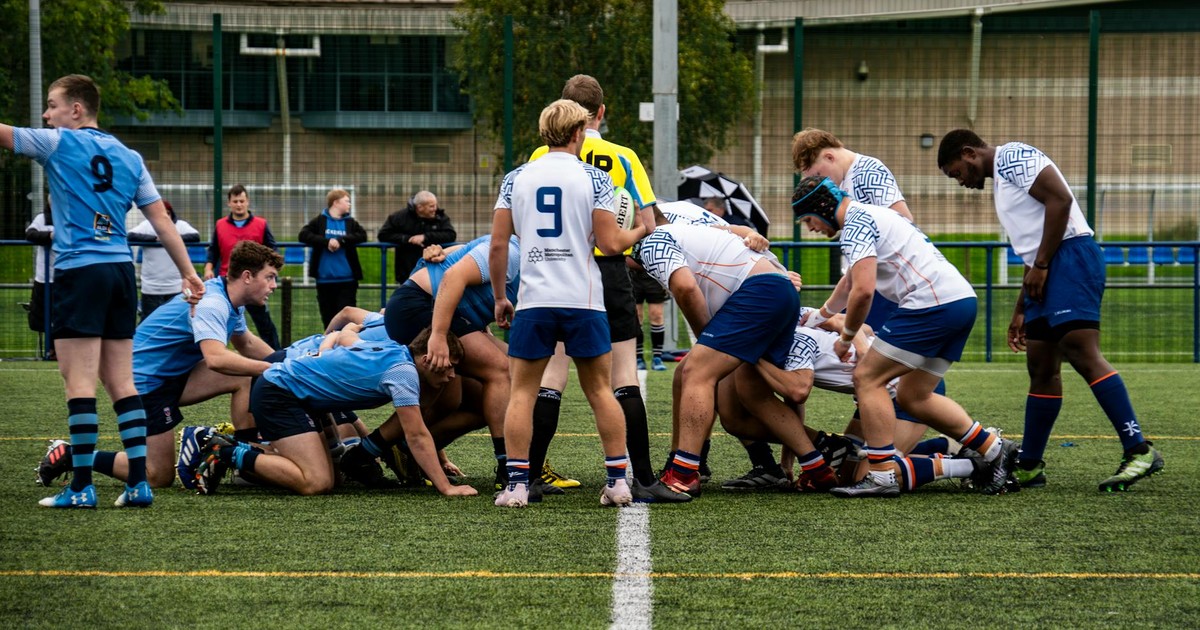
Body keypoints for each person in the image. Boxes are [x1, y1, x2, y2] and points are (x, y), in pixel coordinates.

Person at [3, 73, 205, 509]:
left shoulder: (57, 142)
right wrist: (188, 272)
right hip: (119, 273)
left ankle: (80, 487)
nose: (46, 114)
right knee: (122, 382)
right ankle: (137, 484)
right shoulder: (130, 156)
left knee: (78, 380)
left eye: (52, 105)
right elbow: (162, 223)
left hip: (81, 271)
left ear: (76, 109)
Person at [937, 129, 1164, 492]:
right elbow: (1034, 242)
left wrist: (1043, 266)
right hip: (1047, 267)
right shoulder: (1001, 183)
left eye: (956, 173)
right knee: (1041, 365)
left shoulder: (1012, 156)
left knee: (1079, 349)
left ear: (969, 153)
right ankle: (1029, 466)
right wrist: (1021, 308)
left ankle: (1138, 450)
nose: (960, 182)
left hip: (1071, 257)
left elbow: (1059, 201)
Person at [792, 175, 1018, 497]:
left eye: (808, 218)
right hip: (960, 301)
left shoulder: (855, 224)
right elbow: (849, 283)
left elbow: (863, 291)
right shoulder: (873, 214)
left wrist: (846, 337)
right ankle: (996, 450)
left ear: (823, 208)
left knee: (868, 377)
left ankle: (882, 475)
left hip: (931, 304)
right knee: (914, 396)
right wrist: (822, 316)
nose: (810, 227)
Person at [525, 75, 688, 504]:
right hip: (607, 272)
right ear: (601, 112)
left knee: (550, 378)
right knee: (622, 378)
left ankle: (528, 477)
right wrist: (629, 235)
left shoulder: (541, 154)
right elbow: (650, 223)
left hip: (553, 272)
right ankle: (644, 480)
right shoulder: (623, 157)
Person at [490, 99, 649, 508]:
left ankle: (517, 486)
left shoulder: (515, 178)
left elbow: (497, 244)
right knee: (599, 390)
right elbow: (612, 243)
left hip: (534, 299)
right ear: (578, 133)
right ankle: (617, 482)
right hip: (584, 298)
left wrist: (500, 296)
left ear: (544, 133)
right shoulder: (595, 178)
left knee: (523, 393)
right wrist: (640, 230)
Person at [35, 241, 281, 491]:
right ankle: (71, 455)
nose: (274, 285)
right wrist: (271, 369)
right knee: (157, 476)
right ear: (248, 277)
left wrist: (288, 362)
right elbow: (216, 359)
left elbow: (247, 343)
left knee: (243, 377)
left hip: (174, 376)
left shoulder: (230, 301)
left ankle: (244, 462)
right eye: (270, 277)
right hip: (144, 383)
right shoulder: (212, 302)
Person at [631, 217, 828, 498]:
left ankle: (684, 472)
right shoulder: (678, 228)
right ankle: (817, 464)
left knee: (695, 372)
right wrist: (750, 234)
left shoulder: (650, 242)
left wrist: (703, 337)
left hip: (759, 293)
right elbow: (732, 232)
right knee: (744, 406)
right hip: (777, 289)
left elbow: (686, 287)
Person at [193, 327, 476, 498]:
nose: (452, 375)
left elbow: (346, 338)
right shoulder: (403, 372)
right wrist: (445, 487)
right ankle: (223, 452)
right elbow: (416, 435)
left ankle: (224, 444)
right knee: (315, 482)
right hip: (280, 391)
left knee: (335, 478)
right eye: (449, 365)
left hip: (296, 393)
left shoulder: (396, 351)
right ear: (427, 358)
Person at [385, 235, 520, 493]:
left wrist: (436, 251)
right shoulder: (514, 251)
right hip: (419, 307)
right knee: (501, 369)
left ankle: (405, 449)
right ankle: (509, 469)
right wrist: (437, 335)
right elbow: (453, 276)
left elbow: (449, 256)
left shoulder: (528, 255)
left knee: (481, 402)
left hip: (436, 308)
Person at [204, 184, 281, 350]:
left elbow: (273, 250)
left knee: (264, 323)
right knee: (224, 321)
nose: (239, 204)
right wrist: (209, 268)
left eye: (242, 201)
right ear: (229, 203)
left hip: (254, 282)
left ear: (248, 202)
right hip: (229, 283)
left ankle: (275, 354)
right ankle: (217, 350)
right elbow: (213, 250)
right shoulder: (220, 225)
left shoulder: (261, 224)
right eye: (235, 201)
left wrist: (269, 275)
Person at [299, 188, 368, 328]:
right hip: (325, 280)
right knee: (328, 319)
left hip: (347, 280)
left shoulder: (350, 222)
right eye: (346, 201)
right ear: (336, 202)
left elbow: (362, 235)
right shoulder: (319, 221)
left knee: (347, 320)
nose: (349, 204)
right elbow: (303, 235)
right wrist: (326, 242)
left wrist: (341, 240)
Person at [129, 200, 201, 321]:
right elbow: (131, 235)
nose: (164, 216)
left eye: (167, 213)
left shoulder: (181, 226)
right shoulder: (147, 225)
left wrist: (171, 238)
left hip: (176, 286)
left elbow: (195, 236)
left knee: (175, 322)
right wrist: (156, 239)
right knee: (149, 321)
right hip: (151, 286)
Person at [378, 190, 457, 284]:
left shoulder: (440, 217)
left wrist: (425, 237)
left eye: (435, 205)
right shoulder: (399, 217)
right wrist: (407, 239)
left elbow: (450, 234)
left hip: (435, 270)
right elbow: (383, 235)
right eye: (431, 206)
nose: (435, 209)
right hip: (407, 271)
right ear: (420, 207)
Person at [24, 206, 55, 358]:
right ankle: (50, 350)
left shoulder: (76, 214)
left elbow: (101, 235)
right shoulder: (43, 218)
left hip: (72, 276)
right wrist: (50, 235)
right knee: (43, 316)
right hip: (46, 278)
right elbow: (30, 234)